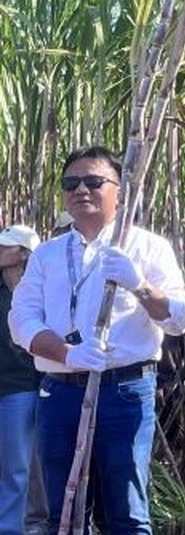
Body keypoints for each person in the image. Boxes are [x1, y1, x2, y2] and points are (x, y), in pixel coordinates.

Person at [9, 145, 185, 533]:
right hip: (59, 392)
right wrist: (68, 352)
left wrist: (140, 285)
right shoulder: (47, 255)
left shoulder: (147, 248)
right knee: (62, 510)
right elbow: (21, 320)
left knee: (125, 511)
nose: (82, 190)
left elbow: (178, 320)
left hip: (124, 391)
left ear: (120, 191)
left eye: (94, 182)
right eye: (71, 183)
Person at [0, 225, 42, 535]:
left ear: (23, 253)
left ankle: (10, 529)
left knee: (16, 467)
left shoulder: (39, 290)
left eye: (6, 246)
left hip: (22, 387)